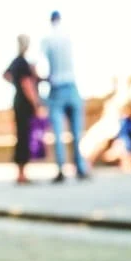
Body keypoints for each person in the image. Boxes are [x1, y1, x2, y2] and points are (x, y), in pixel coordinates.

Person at [41, 11, 89, 183]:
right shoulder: (69, 36)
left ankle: (61, 169)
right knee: (76, 132)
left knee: (58, 133)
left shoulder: (47, 39)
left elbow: (42, 65)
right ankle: (80, 168)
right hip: (72, 86)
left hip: (57, 88)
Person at [3, 34, 44, 184]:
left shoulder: (15, 62)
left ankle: (20, 173)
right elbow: (27, 85)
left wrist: (15, 83)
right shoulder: (23, 62)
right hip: (25, 104)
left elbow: (5, 75)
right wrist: (36, 104)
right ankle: (22, 174)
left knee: (20, 137)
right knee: (24, 138)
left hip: (17, 101)